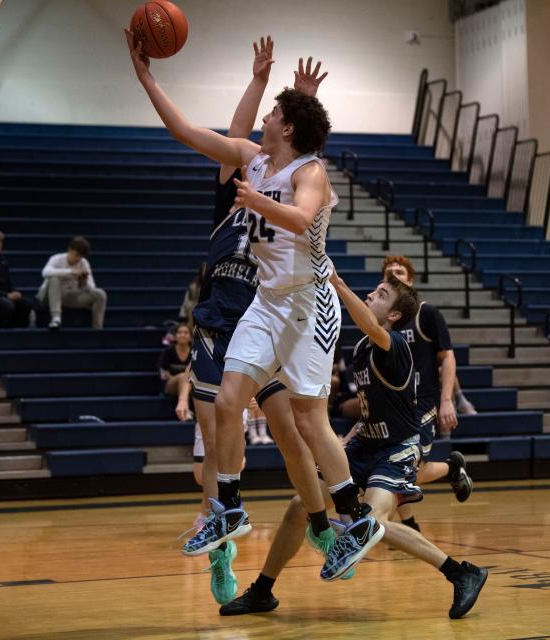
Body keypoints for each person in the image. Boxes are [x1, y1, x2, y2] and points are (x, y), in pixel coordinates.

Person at [126, 32, 381, 580]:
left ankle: (353, 518)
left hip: (308, 304)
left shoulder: (308, 173)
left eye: (273, 112)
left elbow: (302, 217)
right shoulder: (254, 159)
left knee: (310, 421)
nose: (262, 117)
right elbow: (185, 132)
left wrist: (259, 198)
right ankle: (230, 509)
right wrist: (147, 77)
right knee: (227, 403)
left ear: (286, 127)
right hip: (266, 301)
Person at [161, 38, 342, 603]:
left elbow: (299, 168)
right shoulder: (235, 183)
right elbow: (234, 139)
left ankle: (320, 525)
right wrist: (262, 84)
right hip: (223, 322)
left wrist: (299, 102)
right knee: (217, 444)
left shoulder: (284, 181)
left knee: (292, 434)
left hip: (272, 317)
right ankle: (223, 551)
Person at [219, 270, 488, 618]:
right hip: (365, 444)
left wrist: (337, 283)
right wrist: (348, 435)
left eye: (381, 295)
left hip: (396, 449)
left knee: (371, 522)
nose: (371, 296)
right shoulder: (361, 349)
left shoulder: (395, 344)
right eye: (373, 291)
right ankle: (262, 591)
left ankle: (461, 573)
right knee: (301, 504)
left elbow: (373, 330)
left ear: (393, 316)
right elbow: (373, 404)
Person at [380, 255, 474, 532]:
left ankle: (451, 467)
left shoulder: (427, 313)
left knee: (403, 469)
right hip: (392, 406)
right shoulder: (383, 320)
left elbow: (448, 359)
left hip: (422, 404)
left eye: (400, 271)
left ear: (411, 280)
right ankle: (410, 525)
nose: (394, 275)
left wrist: (447, 400)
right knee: (389, 469)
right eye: (389, 273)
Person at [37, 236, 107, 330]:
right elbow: (45, 272)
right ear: (70, 249)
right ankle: (56, 318)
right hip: (49, 295)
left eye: (81, 256)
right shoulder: (57, 258)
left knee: (100, 294)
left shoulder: (84, 263)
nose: (78, 259)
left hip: (70, 296)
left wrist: (84, 282)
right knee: (54, 278)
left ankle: (97, 327)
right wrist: (70, 271)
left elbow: (92, 287)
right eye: (76, 255)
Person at [159, 323, 192, 397]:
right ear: (175, 337)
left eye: (186, 333)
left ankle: (183, 406)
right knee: (183, 377)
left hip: (190, 384)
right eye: (179, 333)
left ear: (190, 337)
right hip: (171, 383)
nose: (182, 335)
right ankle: (184, 406)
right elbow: (163, 371)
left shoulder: (194, 352)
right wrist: (180, 380)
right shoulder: (169, 351)